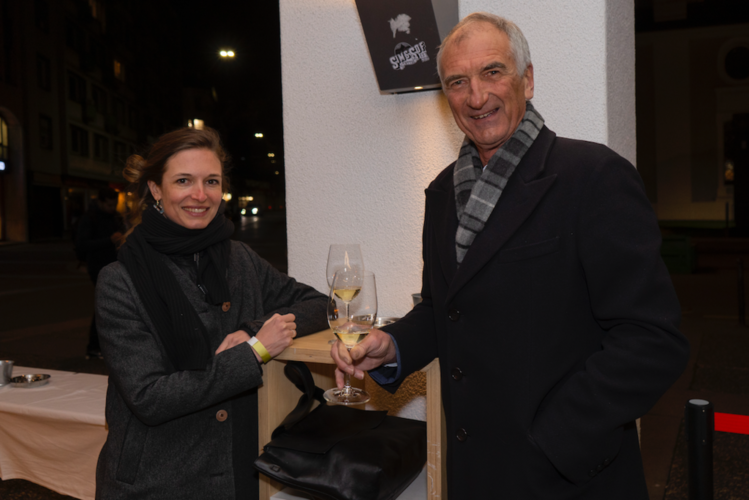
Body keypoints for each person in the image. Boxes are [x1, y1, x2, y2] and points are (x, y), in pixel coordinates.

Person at [332, 12, 689, 500]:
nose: (476, 96)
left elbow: (653, 338)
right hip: (475, 474)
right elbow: (443, 308)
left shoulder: (593, 177)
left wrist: (555, 436)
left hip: (567, 476)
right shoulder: (441, 193)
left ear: (527, 80)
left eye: (492, 72)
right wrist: (391, 347)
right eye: (458, 81)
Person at [95, 127, 328, 499]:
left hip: (238, 473)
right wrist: (254, 351)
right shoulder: (119, 280)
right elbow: (150, 398)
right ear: (156, 189)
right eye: (183, 181)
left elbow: (322, 306)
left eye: (212, 181)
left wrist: (252, 329)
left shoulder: (240, 259)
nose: (200, 195)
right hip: (157, 482)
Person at [75, 186, 125, 359]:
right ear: (101, 202)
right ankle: (94, 347)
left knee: (114, 306)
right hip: (98, 266)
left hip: (114, 265)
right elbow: (82, 244)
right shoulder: (89, 218)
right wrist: (109, 240)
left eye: (115, 205)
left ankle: (106, 346)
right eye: (110, 205)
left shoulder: (114, 217)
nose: (113, 208)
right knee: (104, 307)